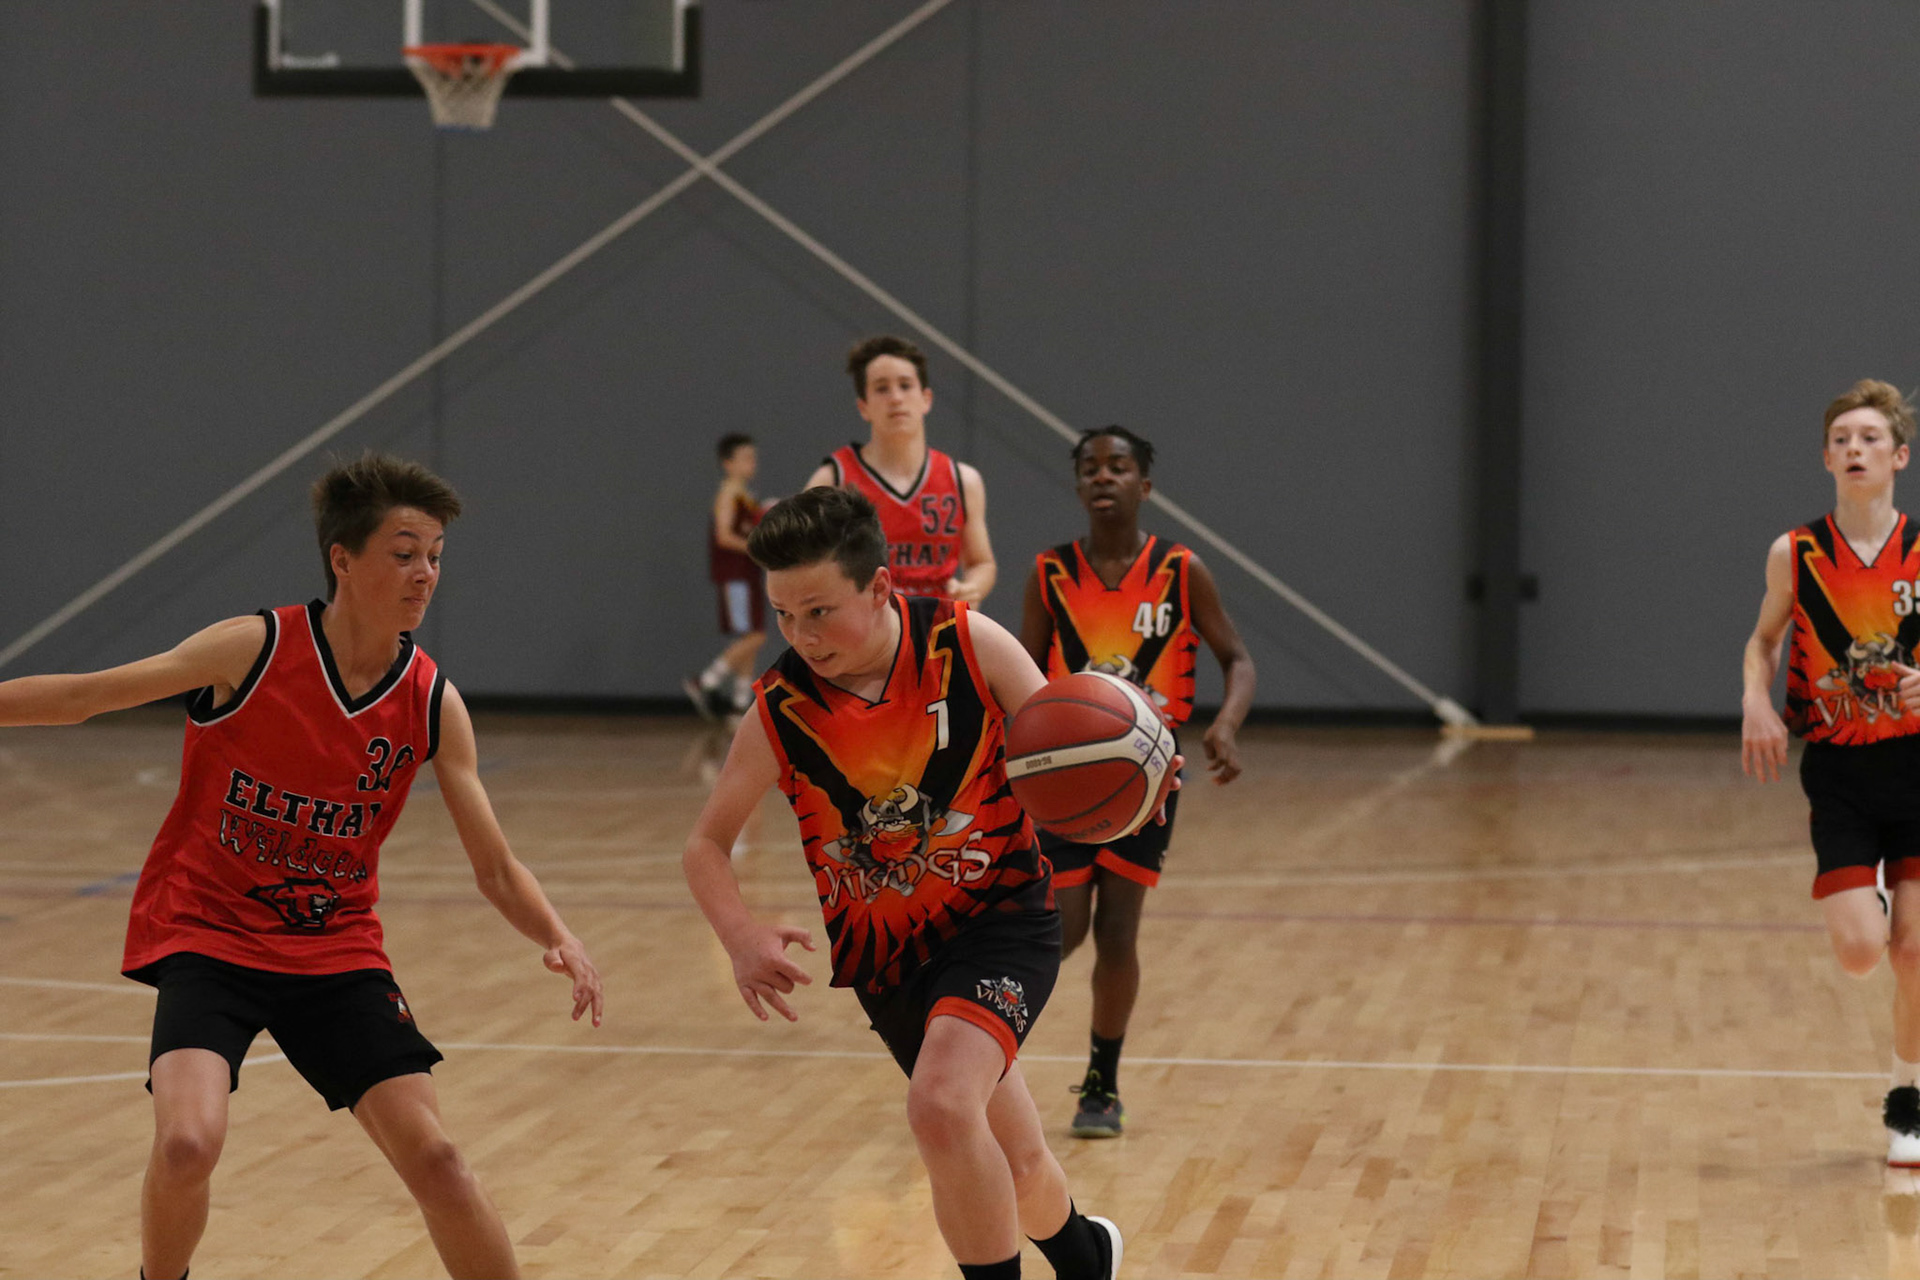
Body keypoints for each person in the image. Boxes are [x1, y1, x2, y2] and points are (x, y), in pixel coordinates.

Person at [0, 453, 604, 1280]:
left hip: (334, 951)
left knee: (439, 1161)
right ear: (342, 559)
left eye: (435, 556)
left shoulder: (431, 701)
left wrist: (559, 934)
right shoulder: (252, 648)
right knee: (186, 1145)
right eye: (404, 553)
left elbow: (495, 867)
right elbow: (85, 697)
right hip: (209, 935)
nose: (425, 574)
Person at [682, 486, 1137, 1280]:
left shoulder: (968, 645)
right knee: (1017, 1163)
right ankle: (1087, 1257)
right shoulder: (782, 709)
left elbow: (1067, 746)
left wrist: (1127, 776)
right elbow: (705, 846)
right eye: (784, 615)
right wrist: (740, 935)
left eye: (819, 612)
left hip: (998, 920)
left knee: (940, 1106)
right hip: (889, 961)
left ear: (880, 587)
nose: (801, 635)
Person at [1018, 426, 1255, 1138]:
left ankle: (1102, 1083)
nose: (1103, 476)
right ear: (1078, 485)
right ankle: (978, 1048)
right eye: (1090, 467)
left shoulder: (1181, 570)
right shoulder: (1050, 573)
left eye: (1118, 467)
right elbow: (1021, 671)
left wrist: (1226, 724)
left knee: (1118, 931)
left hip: (1148, 779)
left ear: (1143, 486)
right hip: (1065, 775)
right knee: (1061, 929)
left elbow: (1237, 658)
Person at [1744, 379, 1920, 1168]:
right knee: (1859, 954)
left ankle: (1908, 1099)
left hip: (1917, 768)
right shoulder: (1797, 552)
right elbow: (1763, 641)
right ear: (1825, 458)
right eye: (1842, 439)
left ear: (1899, 457)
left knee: (1916, 955)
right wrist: (1755, 700)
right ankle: (1871, 900)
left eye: (1871, 438)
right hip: (1842, 771)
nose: (1856, 448)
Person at [804, 334, 997, 602]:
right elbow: (801, 563)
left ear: (926, 398)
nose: (896, 398)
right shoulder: (833, 480)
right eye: (882, 388)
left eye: (905, 385)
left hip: (936, 622)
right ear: (863, 407)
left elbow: (981, 563)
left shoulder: (963, 480)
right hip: (867, 622)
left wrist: (972, 587)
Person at [685, 432, 767, 719]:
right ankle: (705, 681)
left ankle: (739, 703)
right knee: (755, 636)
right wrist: (755, 546)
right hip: (735, 576)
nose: (751, 463)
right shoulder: (729, 493)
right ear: (727, 463)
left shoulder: (746, 495)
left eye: (753, 457)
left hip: (747, 573)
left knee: (748, 637)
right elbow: (723, 536)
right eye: (745, 458)